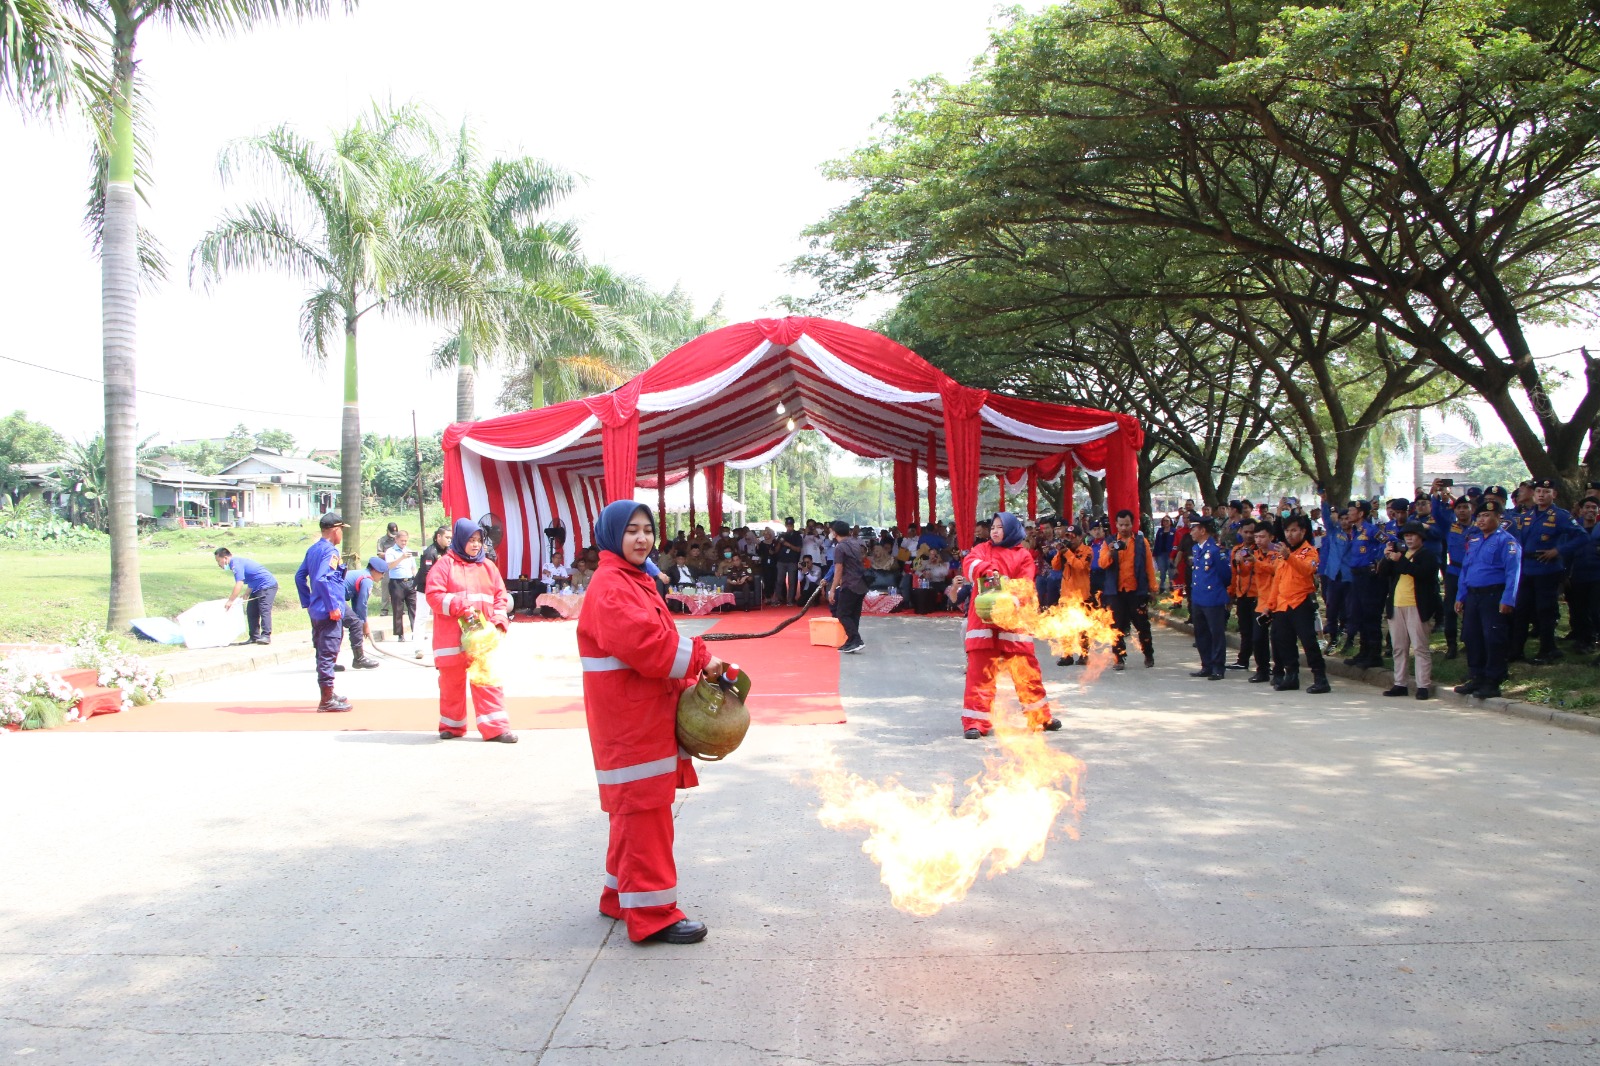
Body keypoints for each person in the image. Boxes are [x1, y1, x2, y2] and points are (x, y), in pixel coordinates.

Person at [577, 500, 723, 945]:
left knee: (633, 811)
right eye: (631, 531)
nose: (642, 539)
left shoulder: (630, 580)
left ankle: (620, 895)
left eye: (647, 530)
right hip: (631, 724)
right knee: (645, 813)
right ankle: (654, 914)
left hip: (638, 716)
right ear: (611, 537)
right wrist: (703, 659)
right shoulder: (612, 587)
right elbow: (649, 645)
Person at [960, 511, 1060, 739]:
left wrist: (1008, 596)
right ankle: (975, 722)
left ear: (1012, 529)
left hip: (1012, 624)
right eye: (993, 527)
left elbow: (1025, 584)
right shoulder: (981, 550)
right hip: (983, 624)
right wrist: (987, 571)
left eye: (1000, 527)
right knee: (979, 675)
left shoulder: (1022, 555)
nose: (995, 531)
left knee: (1026, 671)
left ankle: (1040, 717)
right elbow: (969, 565)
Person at [426, 518, 517, 743]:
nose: (476, 545)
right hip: (450, 640)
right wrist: (460, 607)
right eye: (471, 540)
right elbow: (433, 595)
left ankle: (496, 728)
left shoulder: (488, 567)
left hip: (482, 640)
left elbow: (500, 597)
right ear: (459, 540)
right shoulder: (444, 565)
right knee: (450, 684)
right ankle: (451, 726)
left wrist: (498, 621)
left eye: (478, 540)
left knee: (486, 680)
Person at [1508, 477, 1587, 664]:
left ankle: (1548, 650)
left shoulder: (1560, 515)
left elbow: (1581, 536)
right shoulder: (1527, 516)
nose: (1541, 495)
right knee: (1521, 610)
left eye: (1546, 492)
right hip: (1526, 569)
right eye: (1538, 492)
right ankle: (1516, 650)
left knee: (1545, 611)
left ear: (1554, 495)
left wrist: (1558, 551)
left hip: (1547, 569)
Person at [1454, 500, 1521, 700]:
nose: (1482, 520)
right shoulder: (1474, 540)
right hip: (1473, 595)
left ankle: (1493, 680)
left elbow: (1513, 572)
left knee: (1493, 638)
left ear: (1499, 518)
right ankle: (1476, 676)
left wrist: (1508, 599)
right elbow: (1465, 570)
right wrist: (1460, 596)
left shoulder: (1506, 541)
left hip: (1493, 595)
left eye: (1487, 516)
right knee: (1472, 636)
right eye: (1480, 516)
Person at [1262, 514, 1331, 693]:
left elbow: (1308, 569)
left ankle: (1320, 678)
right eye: (1287, 530)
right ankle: (1291, 676)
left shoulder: (1310, 551)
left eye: (1294, 530)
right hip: (1282, 604)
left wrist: (1289, 557)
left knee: (1308, 641)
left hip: (1301, 602)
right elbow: (1277, 581)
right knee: (1283, 641)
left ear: (1303, 531)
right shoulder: (1282, 552)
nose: (1290, 534)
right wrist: (1269, 605)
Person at [294, 511, 352, 712]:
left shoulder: (312, 550)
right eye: (341, 530)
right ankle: (326, 700)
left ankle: (329, 692)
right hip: (328, 611)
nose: (341, 535)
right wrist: (332, 606)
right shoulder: (331, 552)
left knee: (323, 652)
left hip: (316, 609)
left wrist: (307, 601)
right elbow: (321, 578)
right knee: (328, 653)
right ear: (335, 530)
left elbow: (299, 577)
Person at [1378, 521, 1442, 699]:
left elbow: (1422, 573)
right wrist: (1386, 557)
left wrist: (1401, 560)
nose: (1409, 538)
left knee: (1420, 647)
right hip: (1397, 605)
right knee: (1399, 647)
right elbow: (1383, 573)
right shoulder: (1401, 555)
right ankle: (1400, 683)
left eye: (1413, 535)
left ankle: (1423, 685)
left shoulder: (1427, 555)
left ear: (1421, 537)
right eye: (1406, 535)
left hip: (1417, 606)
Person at [1097, 509, 1158, 671]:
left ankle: (1148, 654)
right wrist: (1111, 551)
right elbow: (1102, 564)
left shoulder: (1140, 541)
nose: (1124, 528)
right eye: (1121, 525)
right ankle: (1119, 658)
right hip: (1115, 592)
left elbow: (1149, 567)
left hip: (1137, 591)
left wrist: (1153, 588)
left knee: (1142, 625)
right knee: (1116, 627)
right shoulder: (1108, 542)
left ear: (1133, 524)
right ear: (1116, 525)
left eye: (1127, 524)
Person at [1187, 517, 1232, 680]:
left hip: (1213, 598)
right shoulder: (1196, 549)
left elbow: (1225, 575)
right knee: (1201, 633)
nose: (1191, 531)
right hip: (1198, 597)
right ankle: (1206, 664)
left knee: (1216, 634)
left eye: (1194, 528)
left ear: (1203, 530)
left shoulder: (1215, 550)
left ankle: (1218, 667)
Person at [1430, 491, 1474, 660]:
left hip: (1472, 573)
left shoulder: (1478, 527)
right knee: (1450, 609)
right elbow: (1436, 514)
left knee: (1470, 609)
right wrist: (1435, 495)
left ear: (1472, 509)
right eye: (1459, 508)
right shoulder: (1450, 526)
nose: (1462, 511)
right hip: (1454, 572)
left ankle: (1469, 642)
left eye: (1466, 507)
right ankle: (1451, 645)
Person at [214, 547, 278, 645]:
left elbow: (239, 583)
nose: (219, 564)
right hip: (256, 586)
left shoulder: (236, 564)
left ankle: (266, 636)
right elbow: (252, 578)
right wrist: (247, 593)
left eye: (219, 561)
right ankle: (254, 637)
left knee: (264, 609)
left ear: (225, 558)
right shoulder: (235, 563)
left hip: (267, 585)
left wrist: (230, 600)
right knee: (251, 611)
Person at [1245, 522, 1282, 685]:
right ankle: (1262, 670)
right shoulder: (1255, 553)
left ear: (1271, 537)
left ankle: (1280, 670)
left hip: (1278, 600)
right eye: (1256, 537)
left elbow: (1274, 570)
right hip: (1261, 601)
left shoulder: (1278, 553)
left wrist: (1256, 562)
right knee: (1258, 638)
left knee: (1278, 638)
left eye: (1262, 536)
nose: (1258, 540)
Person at [1053, 525, 1094, 667]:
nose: (1070, 539)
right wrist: (1060, 552)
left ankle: (1084, 654)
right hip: (1066, 595)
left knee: (1082, 628)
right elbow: (1055, 566)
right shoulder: (1066, 551)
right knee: (1066, 627)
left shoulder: (1087, 550)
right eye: (1068, 536)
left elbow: (1080, 566)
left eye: (1073, 536)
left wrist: (1068, 553)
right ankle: (1067, 654)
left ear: (1080, 537)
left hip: (1082, 595)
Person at [827, 520, 869, 654]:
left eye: (831, 530)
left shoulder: (840, 547)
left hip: (850, 583)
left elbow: (838, 569)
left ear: (835, 532)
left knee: (842, 613)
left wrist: (832, 589)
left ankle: (856, 639)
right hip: (861, 582)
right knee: (853, 614)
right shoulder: (856, 543)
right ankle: (851, 641)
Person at [1226, 519, 1260, 671]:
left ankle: (1262, 664)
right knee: (1245, 630)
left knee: (1259, 632)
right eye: (1245, 532)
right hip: (1242, 595)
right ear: (1240, 532)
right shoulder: (1236, 550)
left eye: (1252, 532)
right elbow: (1234, 575)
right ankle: (1243, 660)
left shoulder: (1260, 550)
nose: (1249, 535)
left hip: (1258, 595)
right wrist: (1231, 594)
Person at [383, 529, 419, 641]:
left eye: (406, 541)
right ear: (396, 539)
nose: (404, 543)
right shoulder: (390, 551)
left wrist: (417, 581)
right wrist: (401, 557)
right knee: (398, 609)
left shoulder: (409, 551)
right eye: (402, 541)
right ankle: (400, 634)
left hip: (410, 581)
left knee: (414, 608)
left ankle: (416, 631)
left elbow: (413, 567)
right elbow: (389, 566)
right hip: (397, 582)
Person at [774, 518, 802, 605]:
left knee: (792, 582)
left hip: (792, 561)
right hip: (781, 561)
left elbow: (798, 549)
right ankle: (778, 599)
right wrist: (779, 542)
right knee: (779, 581)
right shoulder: (782, 535)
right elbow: (776, 550)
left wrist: (788, 544)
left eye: (791, 526)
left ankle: (790, 600)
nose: (789, 527)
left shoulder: (797, 535)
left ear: (793, 525)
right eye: (788, 525)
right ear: (786, 525)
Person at [375, 521, 399, 616]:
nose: (393, 535)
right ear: (387, 531)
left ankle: (397, 608)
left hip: (397, 567)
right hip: (386, 567)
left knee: (397, 588)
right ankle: (384, 609)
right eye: (392, 533)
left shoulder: (398, 539)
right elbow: (379, 554)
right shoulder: (382, 540)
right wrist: (390, 555)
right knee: (385, 587)